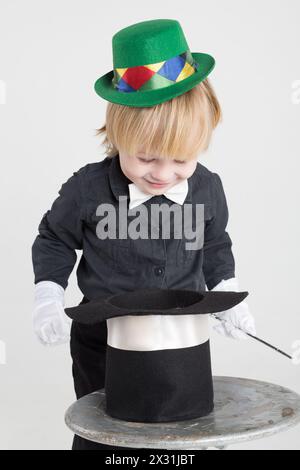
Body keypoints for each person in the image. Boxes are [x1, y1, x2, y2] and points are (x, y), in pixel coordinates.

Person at [31, 19, 256, 450]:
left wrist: (226, 288)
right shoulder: (87, 188)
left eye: (182, 161)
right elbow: (54, 238)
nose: (164, 174)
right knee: (108, 436)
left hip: (181, 341)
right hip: (103, 341)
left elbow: (214, 243)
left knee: (185, 434)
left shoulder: (209, 188)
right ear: (117, 137)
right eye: (147, 158)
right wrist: (48, 295)